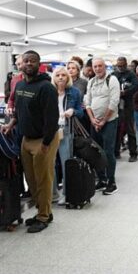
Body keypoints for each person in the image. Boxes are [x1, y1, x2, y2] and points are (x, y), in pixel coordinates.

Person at [1, 51, 60, 233]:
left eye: (32, 61)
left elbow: (52, 118)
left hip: (44, 139)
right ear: (20, 64)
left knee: (43, 178)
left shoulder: (47, 87)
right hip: (26, 138)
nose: (28, 64)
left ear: (38, 64)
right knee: (31, 179)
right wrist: (11, 124)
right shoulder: (19, 85)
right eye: (25, 61)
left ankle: (44, 216)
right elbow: (19, 111)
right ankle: (43, 211)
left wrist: (46, 143)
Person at [83, 57, 120, 195]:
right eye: (95, 66)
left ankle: (112, 182)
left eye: (100, 66)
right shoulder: (91, 81)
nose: (97, 69)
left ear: (105, 66)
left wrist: (103, 120)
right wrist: (92, 119)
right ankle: (102, 179)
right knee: (95, 152)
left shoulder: (112, 80)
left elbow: (114, 102)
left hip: (109, 121)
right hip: (95, 122)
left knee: (108, 151)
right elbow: (87, 101)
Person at [52, 66, 84, 206]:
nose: (60, 77)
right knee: (50, 164)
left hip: (66, 129)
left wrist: (73, 111)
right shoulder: (49, 92)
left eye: (63, 75)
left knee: (66, 162)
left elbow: (81, 112)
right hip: (51, 130)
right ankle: (53, 193)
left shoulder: (74, 92)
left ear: (68, 77)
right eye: (58, 75)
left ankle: (66, 193)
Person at [114, 56, 138, 162]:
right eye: (118, 66)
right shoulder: (114, 75)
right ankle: (116, 151)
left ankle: (133, 153)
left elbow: (137, 86)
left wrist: (125, 92)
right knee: (116, 129)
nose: (120, 68)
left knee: (130, 129)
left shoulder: (131, 74)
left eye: (122, 66)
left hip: (128, 104)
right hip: (116, 105)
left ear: (125, 64)